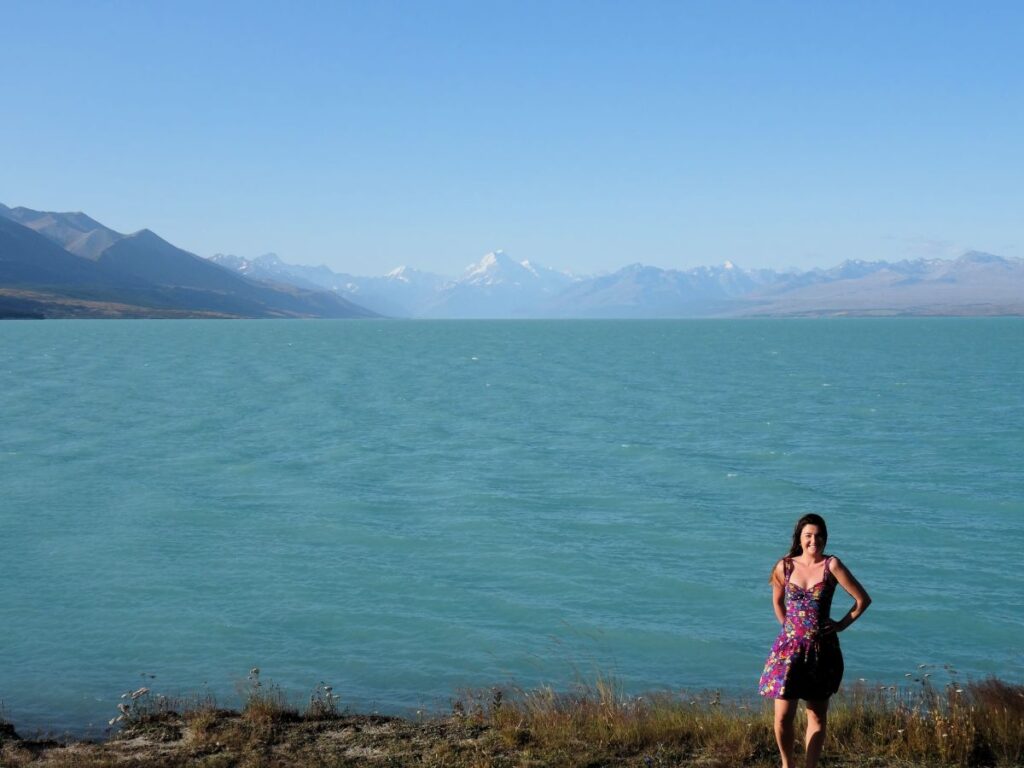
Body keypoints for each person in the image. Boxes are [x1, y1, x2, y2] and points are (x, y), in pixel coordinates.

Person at [758, 514, 871, 768]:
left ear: (825, 538)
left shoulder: (832, 565)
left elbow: (862, 600)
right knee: (782, 718)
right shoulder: (784, 566)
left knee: (817, 717)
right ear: (799, 537)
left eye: (819, 535)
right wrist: (789, 628)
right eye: (808, 535)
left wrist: (840, 625)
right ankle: (787, 765)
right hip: (789, 652)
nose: (813, 540)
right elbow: (777, 602)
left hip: (822, 651)